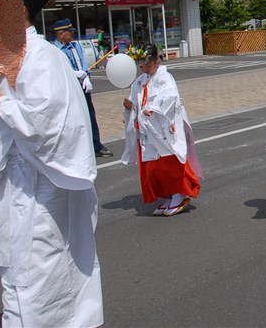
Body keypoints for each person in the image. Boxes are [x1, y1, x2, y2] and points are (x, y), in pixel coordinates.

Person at [0, 0, 103, 327]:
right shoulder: (7, 54)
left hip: (37, 187)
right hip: (11, 185)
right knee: (18, 280)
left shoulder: (41, 56)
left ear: (20, 8)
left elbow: (40, 124)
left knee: (35, 282)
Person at [123, 44, 202, 216]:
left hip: (162, 128)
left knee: (169, 162)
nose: (144, 68)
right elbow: (135, 99)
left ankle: (179, 194)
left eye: (148, 65)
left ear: (157, 59)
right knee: (153, 166)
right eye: (142, 66)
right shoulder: (140, 80)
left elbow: (171, 97)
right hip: (147, 129)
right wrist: (130, 106)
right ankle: (167, 195)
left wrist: (155, 108)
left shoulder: (165, 77)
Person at [53, 19, 112, 157]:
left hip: (82, 87)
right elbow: (57, 71)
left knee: (90, 116)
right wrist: (73, 74)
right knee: (71, 119)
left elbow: (83, 64)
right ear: (61, 34)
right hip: (67, 90)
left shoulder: (75, 46)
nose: (72, 34)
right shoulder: (54, 51)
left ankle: (96, 145)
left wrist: (86, 77)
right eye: (70, 32)